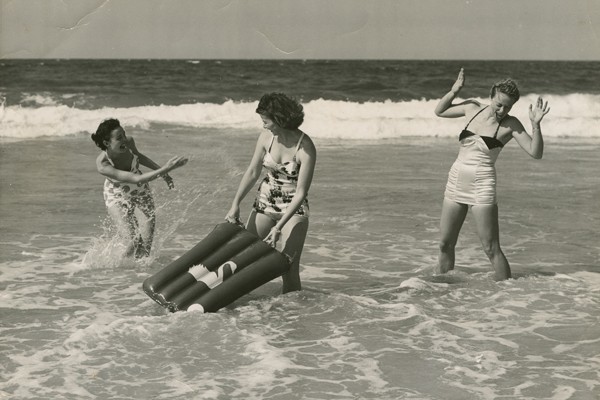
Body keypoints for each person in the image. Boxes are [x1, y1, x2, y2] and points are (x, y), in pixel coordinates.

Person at [434, 68, 550, 280]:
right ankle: (444, 288)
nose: (502, 110)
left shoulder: (511, 125)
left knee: (490, 247)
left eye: (507, 107)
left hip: (482, 184)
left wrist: (536, 126)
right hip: (456, 178)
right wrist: (453, 91)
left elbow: (536, 152)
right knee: (445, 243)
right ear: (491, 97)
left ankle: (506, 294)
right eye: (499, 104)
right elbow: (440, 111)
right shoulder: (471, 108)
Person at [225, 93, 316, 293]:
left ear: (279, 119)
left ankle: (291, 316)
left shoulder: (305, 147)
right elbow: (252, 172)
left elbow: (301, 193)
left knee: (288, 267)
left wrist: (279, 227)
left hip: (293, 209)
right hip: (264, 203)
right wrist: (235, 204)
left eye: (266, 121)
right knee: (243, 258)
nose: (264, 126)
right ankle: (239, 309)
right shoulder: (266, 138)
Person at [91, 118, 188, 258]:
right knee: (133, 241)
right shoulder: (103, 164)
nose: (124, 139)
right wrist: (167, 168)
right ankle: (113, 271)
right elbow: (137, 178)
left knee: (146, 246)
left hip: (140, 191)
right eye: (119, 138)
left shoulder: (129, 142)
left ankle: (137, 275)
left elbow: (139, 157)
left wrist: (163, 172)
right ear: (107, 143)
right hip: (116, 194)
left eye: (124, 134)